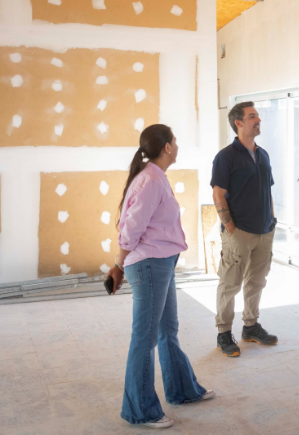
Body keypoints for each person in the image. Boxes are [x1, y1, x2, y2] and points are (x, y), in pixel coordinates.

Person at [106, 124, 215, 429]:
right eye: (175, 141)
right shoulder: (152, 180)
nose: (177, 145)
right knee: (145, 337)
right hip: (150, 264)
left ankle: (182, 390)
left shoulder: (153, 176)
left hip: (160, 262)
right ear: (167, 147)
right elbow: (130, 229)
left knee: (168, 329)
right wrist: (118, 264)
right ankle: (140, 411)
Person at [210, 101, 277, 357]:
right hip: (239, 232)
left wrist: (272, 219)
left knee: (257, 281)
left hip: (264, 230)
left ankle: (250, 326)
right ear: (238, 123)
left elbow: (268, 189)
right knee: (230, 284)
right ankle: (223, 332)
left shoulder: (263, 154)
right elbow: (218, 194)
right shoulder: (226, 156)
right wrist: (230, 228)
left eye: (257, 115)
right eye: (252, 116)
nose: (258, 120)